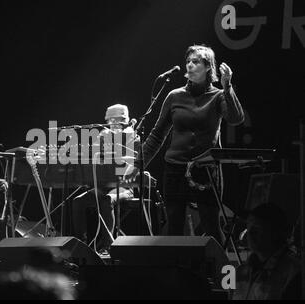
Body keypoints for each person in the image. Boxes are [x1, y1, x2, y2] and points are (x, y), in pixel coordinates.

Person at [125, 45, 244, 245]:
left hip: (206, 169)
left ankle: (217, 274)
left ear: (208, 67)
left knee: (211, 226)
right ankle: (177, 273)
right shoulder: (174, 96)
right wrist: (137, 165)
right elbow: (156, 135)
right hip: (175, 169)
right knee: (174, 228)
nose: (189, 65)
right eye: (188, 60)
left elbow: (236, 118)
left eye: (195, 61)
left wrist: (228, 86)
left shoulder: (218, 95)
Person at [71, 104, 139, 253]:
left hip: (125, 187)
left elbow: (132, 164)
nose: (112, 124)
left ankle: (109, 247)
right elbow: (93, 157)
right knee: (78, 201)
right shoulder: (103, 136)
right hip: (103, 185)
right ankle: (80, 246)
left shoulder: (133, 137)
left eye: (116, 120)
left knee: (107, 200)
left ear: (124, 120)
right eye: (110, 121)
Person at [233, 203, 301, 299]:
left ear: (275, 232)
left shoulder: (292, 273)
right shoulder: (240, 272)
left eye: (257, 228)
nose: (249, 233)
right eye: (248, 227)